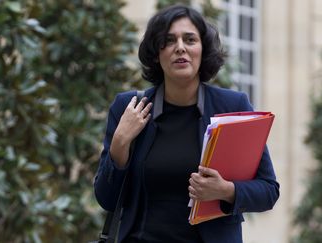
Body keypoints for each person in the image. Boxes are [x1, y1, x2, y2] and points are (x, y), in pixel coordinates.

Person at [94, 4, 279, 243]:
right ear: (156, 53)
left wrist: (226, 190)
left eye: (190, 40)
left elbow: (268, 191)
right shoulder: (129, 108)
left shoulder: (233, 107)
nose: (180, 47)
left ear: (203, 50)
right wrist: (119, 145)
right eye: (169, 41)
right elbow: (106, 199)